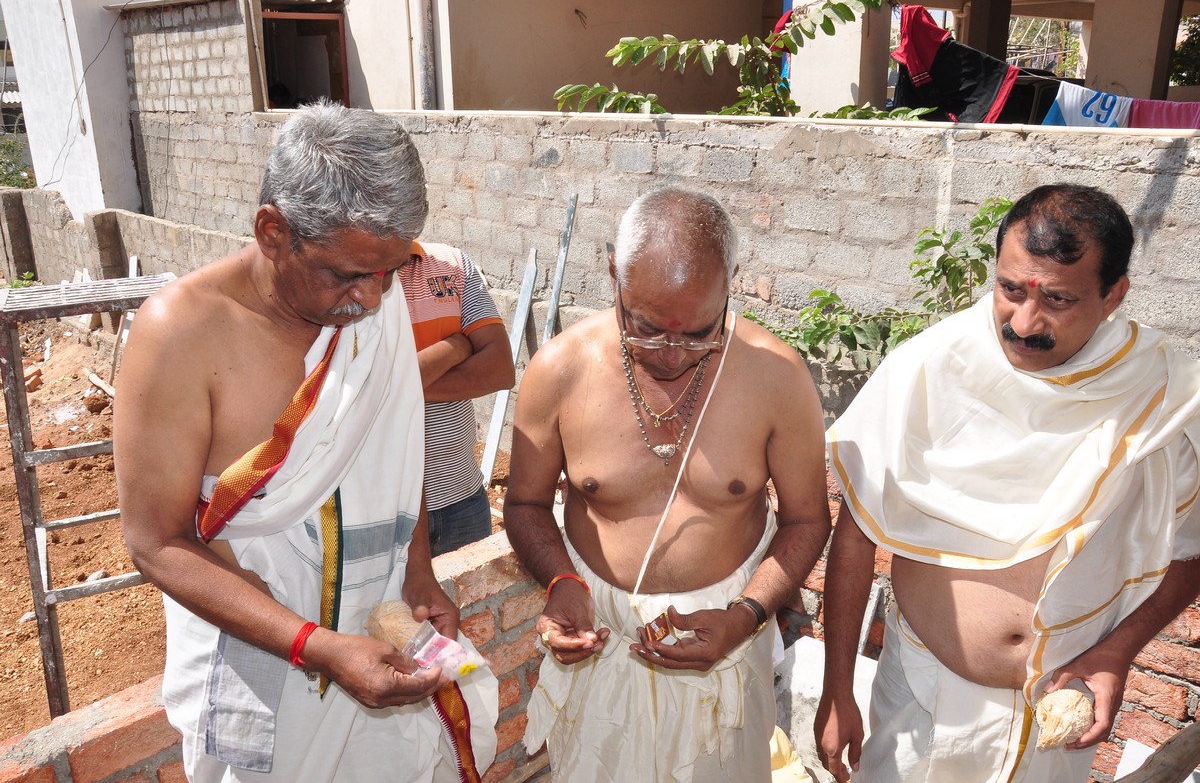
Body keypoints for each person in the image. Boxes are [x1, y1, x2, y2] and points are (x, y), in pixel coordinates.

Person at [114, 101, 497, 782]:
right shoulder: (180, 334)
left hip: (380, 634)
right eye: (347, 274)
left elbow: (394, 452)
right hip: (259, 659)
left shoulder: (372, 315)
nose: (372, 298)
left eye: (390, 271)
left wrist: (418, 571)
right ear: (273, 232)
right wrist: (316, 646)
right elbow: (155, 542)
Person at [815, 184, 1200, 782]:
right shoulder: (931, 367)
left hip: (1059, 713)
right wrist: (838, 688)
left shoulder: (1165, 396)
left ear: (1113, 295)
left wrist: (1117, 652)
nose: (1025, 323)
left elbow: (1190, 551)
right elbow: (856, 531)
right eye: (1010, 289)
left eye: (1058, 299)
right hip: (922, 695)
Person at [504, 186, 832, 782]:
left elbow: (808, 519)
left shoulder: (777, 377)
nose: (672, 353)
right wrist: (561, 582)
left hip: (727, 645)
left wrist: (745, 616)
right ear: (614, 275)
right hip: (599, 646)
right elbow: (525, 503)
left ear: (731, 282)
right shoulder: (559, 370)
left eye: (700, 331)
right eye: (647, 328)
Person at [400, 244, 514, 556]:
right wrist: (454, 348)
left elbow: (500, 369)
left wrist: (398, 385)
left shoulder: (452, 264)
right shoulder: (347, 278)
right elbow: (362, 388)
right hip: (385, 512)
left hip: (463, 500)